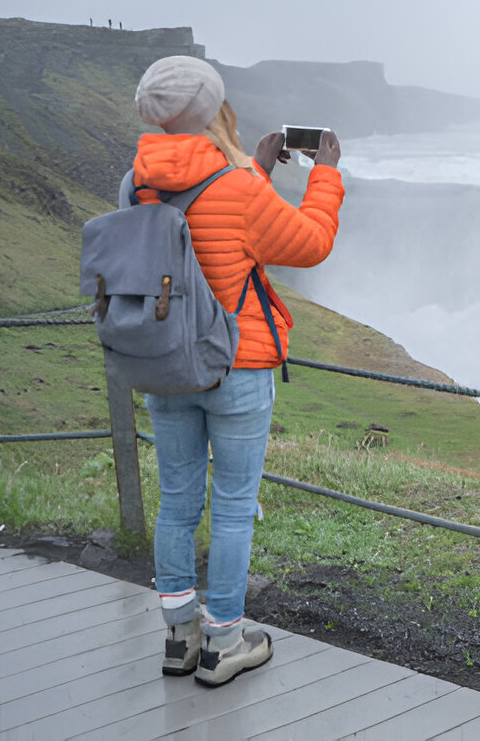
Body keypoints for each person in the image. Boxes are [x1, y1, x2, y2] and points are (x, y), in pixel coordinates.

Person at [131, 55, 343, 687]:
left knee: (175, 502)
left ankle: (180, 639)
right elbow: (309, 244)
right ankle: (225, 643)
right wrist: (325, 177)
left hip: (167, 364)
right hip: (236, 367)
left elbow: (203, 224)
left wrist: (255, 168)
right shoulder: (239, 188)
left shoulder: (137, 182)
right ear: (213, 110)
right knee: (230, 508)